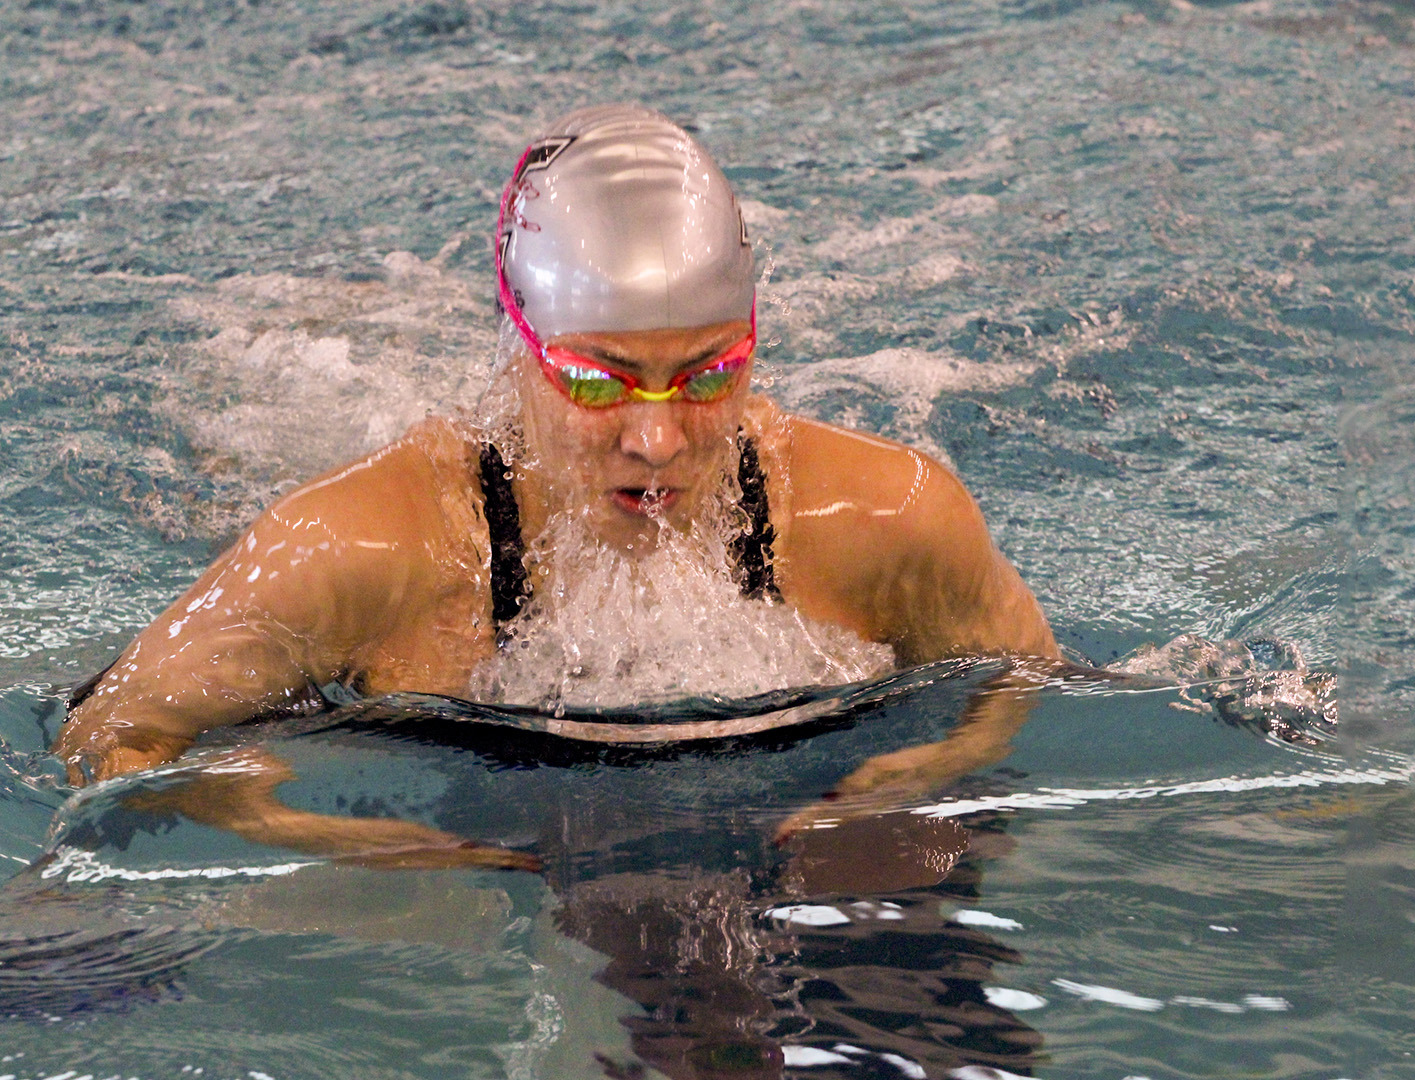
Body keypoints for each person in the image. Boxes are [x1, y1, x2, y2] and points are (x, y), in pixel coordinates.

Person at [53, 103, 1059, 868]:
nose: (658, 438)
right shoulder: (361, 550)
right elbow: (114, 731)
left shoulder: (888, 513)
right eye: (596, 379)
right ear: (520, 348)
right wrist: (304, 828)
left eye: (708, 374)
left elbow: (1023, 674)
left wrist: (918, 775)